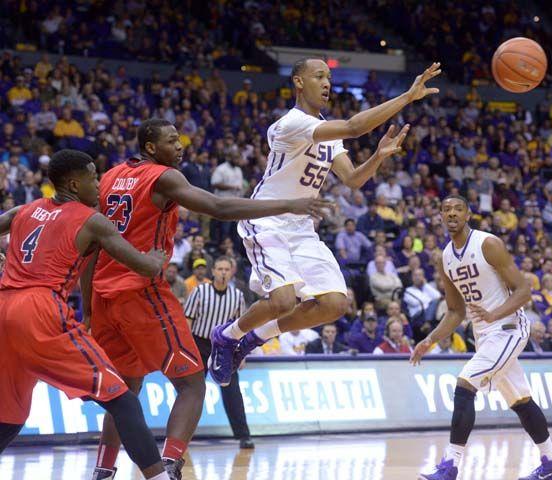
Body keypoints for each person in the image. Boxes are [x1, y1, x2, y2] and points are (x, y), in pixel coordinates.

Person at [86, 118, 330, 480]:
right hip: (140, 290)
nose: (181, 146)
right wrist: (288, 204)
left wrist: (87, 305)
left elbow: (91, 245)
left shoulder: (109, 176)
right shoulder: (162, 177)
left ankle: (103, 469)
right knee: (192, 384)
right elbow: (220, 208)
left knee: (127, 389)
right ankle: (169, 466)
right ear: (151, 147)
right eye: (172, 141)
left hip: (104, 295)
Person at [210, 59, 441, 386]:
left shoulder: (327, 134)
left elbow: (353, 180)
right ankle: (227, 335)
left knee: (335, 304)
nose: (327, 83)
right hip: (266, 218)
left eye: (329, 77)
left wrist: (377, 157)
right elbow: (353, 127)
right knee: (283, 300)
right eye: (319, 76)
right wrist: (406, 97)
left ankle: (253, 338)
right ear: (299, 82)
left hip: (302, 227)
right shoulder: (290, 124)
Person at [0, 150, 171, 480]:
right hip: (40, 309)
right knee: (122, 399)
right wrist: (157, 256)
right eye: (94, 177)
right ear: (74, 183)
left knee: (9, 414)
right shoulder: (91, 219)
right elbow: (143, 267)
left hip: (5, 306)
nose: (99, 182)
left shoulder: (26, 209)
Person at [411, 195, 552, 480]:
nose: (451, 214)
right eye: (445, 209)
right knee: (521, 401)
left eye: (458, 209)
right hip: (485, 335)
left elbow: (523, 291)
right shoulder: (445, 257)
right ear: (440, 216)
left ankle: (450, 465)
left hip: (509, 327)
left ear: (468, 214)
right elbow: (455, 312)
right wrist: (429, 340)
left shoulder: (488, 244)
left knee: (465, 384)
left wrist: (495, 314)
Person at [183, 257, 253, 449]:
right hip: (199, 344)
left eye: (226, 269)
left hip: (223, 346)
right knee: (193, 392)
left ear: (231, 272)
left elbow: (242, 326)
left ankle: (243, 436)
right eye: (220, 268)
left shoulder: (237, 296)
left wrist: (243, 354)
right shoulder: (199, 291)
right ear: (212, 271)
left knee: (233, 393)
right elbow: (187, 321)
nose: (223, 272)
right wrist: (187, 349)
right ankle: (181, 438)